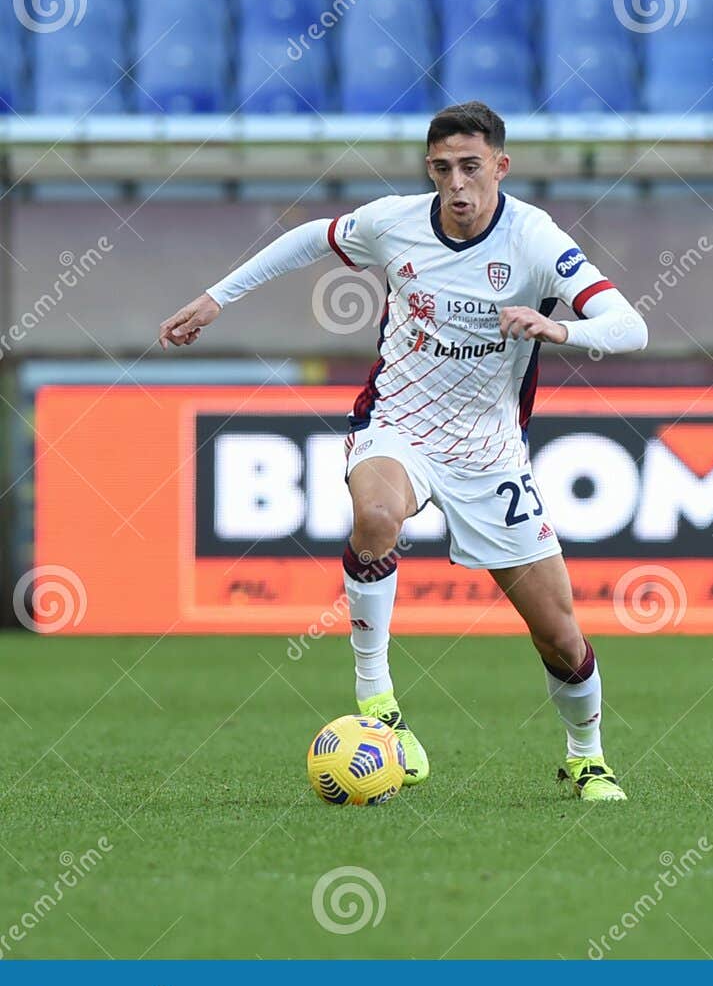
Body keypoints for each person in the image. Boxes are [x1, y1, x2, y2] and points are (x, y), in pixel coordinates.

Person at [159, 101, 647, 802]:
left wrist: (555, 328)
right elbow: (308, 238)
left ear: (500, 167)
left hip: (490, 452)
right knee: (377, 513)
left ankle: (586, 756)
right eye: (443, 168)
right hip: (400, 426)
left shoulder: (535, 239)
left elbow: (631, 326)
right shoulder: (395, 222)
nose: (457, 183)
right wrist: (217, 298)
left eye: (471, 167)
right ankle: (376, 699)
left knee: (560, 636)